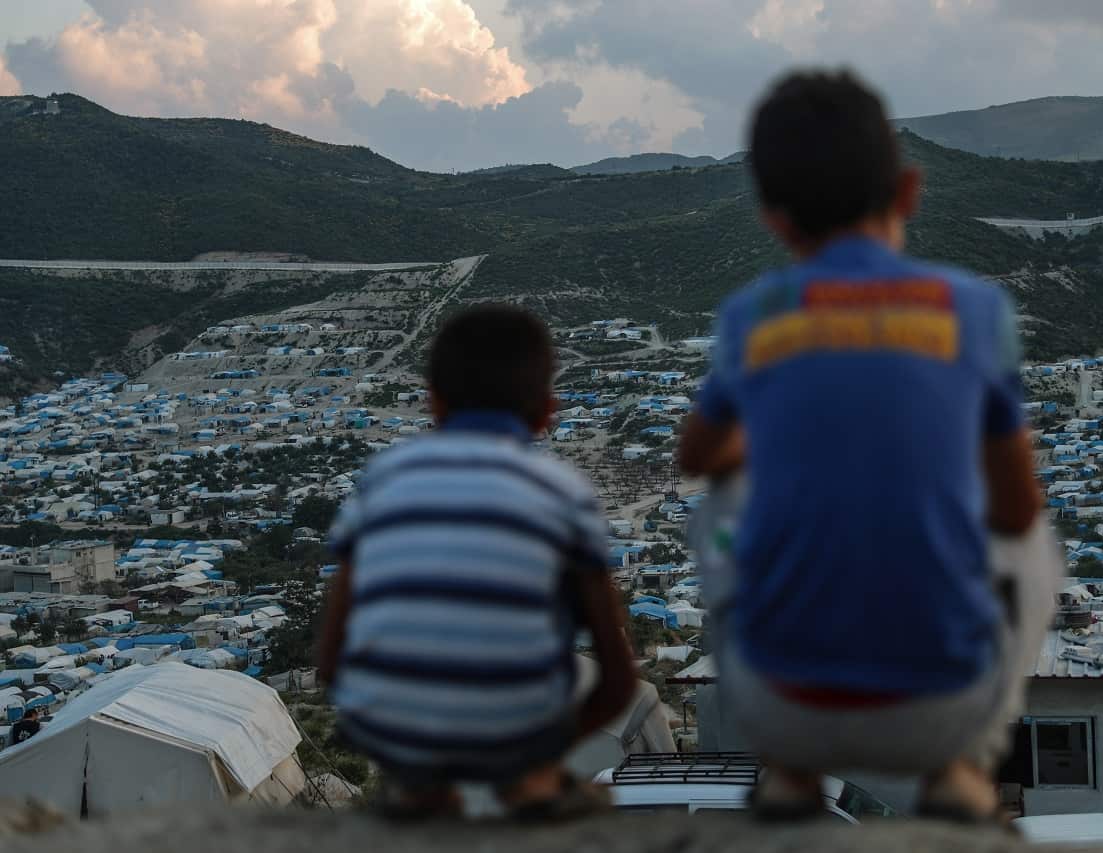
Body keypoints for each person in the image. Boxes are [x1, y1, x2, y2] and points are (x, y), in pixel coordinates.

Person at [679, 69, 1055, 823]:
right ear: (909, 191)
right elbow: (1016, 507)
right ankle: (960, 765)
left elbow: (698, 453)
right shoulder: (971, 308)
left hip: (783, 703)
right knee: (1033, 541)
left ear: (774, 219)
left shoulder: (758, 314)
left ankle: (788, 773)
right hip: (940, 704)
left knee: (718, 507)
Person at [317, 304, 636, 820]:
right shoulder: (563, 491)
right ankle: (529, 784)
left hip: (392, 732)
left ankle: (423, 791)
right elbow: (618, 679)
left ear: (434, 404)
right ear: (547, 410)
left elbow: (331, 658)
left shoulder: (383, 478)